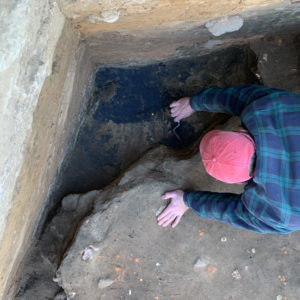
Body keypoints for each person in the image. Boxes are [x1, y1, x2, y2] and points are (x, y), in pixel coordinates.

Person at [157, 85, 300, 234]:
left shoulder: (285, 216)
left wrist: (187, 200)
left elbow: (233, 212)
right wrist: (195, 102)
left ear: (241, 182)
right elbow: (239, 97)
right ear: (241, 131)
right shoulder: (274, 107)